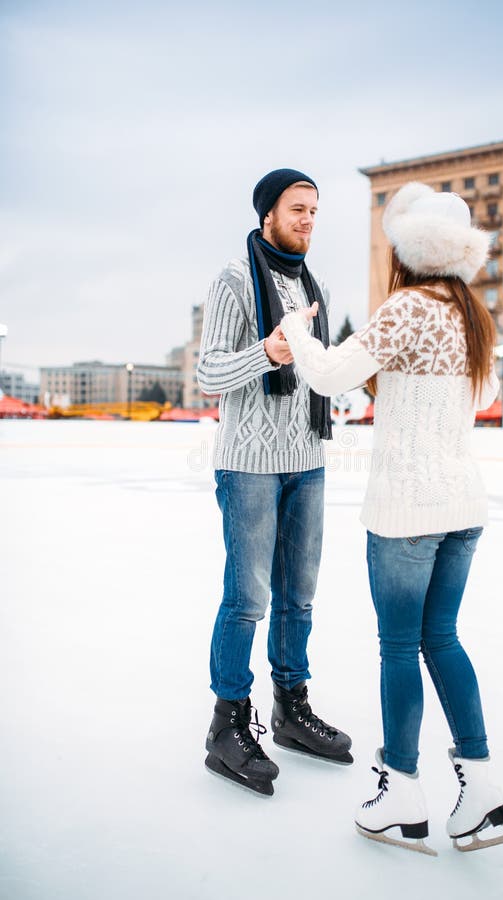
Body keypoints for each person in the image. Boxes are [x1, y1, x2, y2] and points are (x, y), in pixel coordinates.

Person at [279, 182, 503, 852]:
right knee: (441, 640)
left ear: (409, 248)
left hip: (405, 513)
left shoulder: (409, 305)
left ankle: (402, 791)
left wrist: (298, 334)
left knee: (398, 648)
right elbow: (482, 392)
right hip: (462, 507)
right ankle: (482, 788)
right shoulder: (471, 313)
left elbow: (330, 375)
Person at [197, 168, 353, 798]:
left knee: (301, 595)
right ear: (268, 214)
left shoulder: (313, 284)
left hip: (307, 460)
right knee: (247, 598)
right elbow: (209, 372)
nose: (308, 220)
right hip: (250, 465)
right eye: (297, 209)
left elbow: (316, 372)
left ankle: (291, 707)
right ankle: (226, 725)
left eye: (315, 210)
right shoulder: (234, 280)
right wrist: (267, 352)